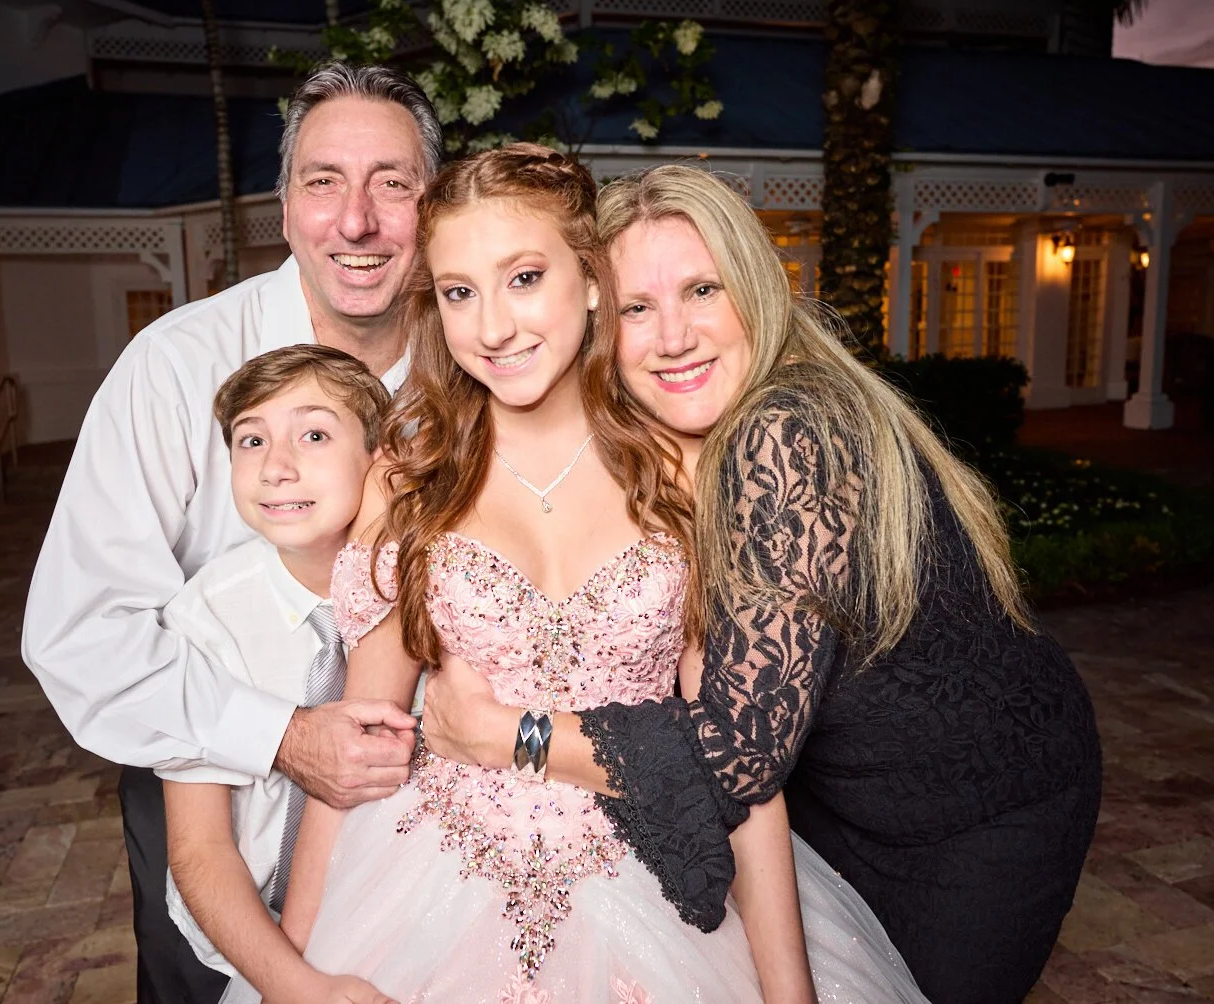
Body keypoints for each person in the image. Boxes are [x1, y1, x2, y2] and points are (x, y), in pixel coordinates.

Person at [420, 164, 1104, 1004]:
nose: (672, 336)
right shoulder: (684, 443)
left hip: (981, 811)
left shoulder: (785, 432)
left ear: (755, 287)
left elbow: (739, 755)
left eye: (702, 290)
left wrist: (506, 736)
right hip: (845, 796)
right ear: (604, 319)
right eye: (639, 307)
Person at [267, 144, 928, 1004]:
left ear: (590, 281)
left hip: (652, 871)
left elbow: (743, 772)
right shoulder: (410, 471)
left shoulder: (680, 469)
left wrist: (788, 993)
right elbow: (361, 738)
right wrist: (290, 968)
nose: (494, 327)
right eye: (461, 292)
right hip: (429, 877)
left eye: (524, 278)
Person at [21, 63, 439, 1004]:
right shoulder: (177, 367)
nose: (357, 221)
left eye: (393, 184)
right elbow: (78, 631)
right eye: (323, 182)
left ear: (433, 206)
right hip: (201, 779)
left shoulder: (477, 366)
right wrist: (283, 736)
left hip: (409, 811)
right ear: (285, 210)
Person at [158, 345, 397, 1004]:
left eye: (314, 434)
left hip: (404, 909)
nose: (276, 468)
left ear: (380, 460)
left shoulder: (431, 587)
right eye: (251, 440)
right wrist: (291, 984)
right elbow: (200, 846)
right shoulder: (204, 621)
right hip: (257, 939)